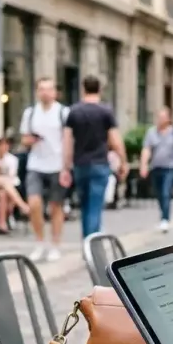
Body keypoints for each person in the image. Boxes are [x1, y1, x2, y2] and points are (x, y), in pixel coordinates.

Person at [61, 76, 128, 238]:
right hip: (99, 163)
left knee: (84, 206)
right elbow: (115, 140)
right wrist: (123, 161)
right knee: (95, 206)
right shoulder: (105, 112)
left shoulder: (74, 112)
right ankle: (93, 243)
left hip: (80, 164)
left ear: (83, 89)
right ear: (100, 90)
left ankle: (86, 242)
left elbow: (67, 141)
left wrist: (65, 167)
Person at [20, 78, 69, 261]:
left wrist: (67, 166)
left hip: (57, 165)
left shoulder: (63, 112)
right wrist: (31, 140)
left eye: (49, 89)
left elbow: (68, 140)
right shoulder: (31, 113)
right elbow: (23, 139)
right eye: (41, 89)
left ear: (55, 92)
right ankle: (39, 242)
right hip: (36, 164)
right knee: (34, 204)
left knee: (56, 206)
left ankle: (55, 244)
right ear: (37, 91)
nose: (45, 93)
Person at [139, 108, 173, 233]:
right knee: (158, 194)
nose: (160, 120)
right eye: (159, 117)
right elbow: (146, 149)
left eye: (163, 117)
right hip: (156, 167)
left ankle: (165, 219)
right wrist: (143, 165)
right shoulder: (151, 132)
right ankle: (163, 214)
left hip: (170, 167)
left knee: (166, 192)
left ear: (168, 119)